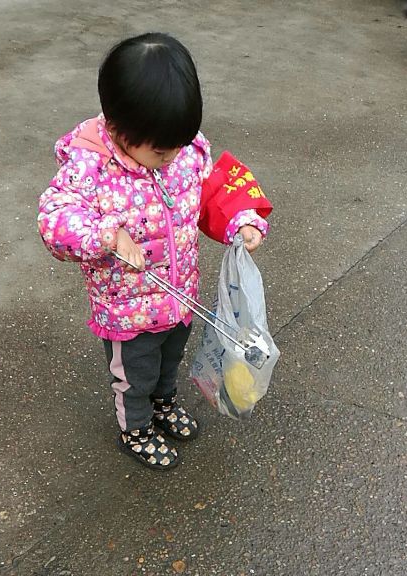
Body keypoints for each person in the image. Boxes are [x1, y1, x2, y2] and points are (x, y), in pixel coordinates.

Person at [38, 32, 269, 471]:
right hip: (127, 310)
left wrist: (243, 221)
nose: (172, 157)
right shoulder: (90, 168)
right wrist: (109, 235)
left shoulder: (183, 151)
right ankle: (137, 428)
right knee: (135, 375)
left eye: (179, 144)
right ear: (117, 129)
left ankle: (164, 405)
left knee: (169, 360)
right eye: (162, 151)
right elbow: (55, 220)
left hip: (179, 296)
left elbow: (212, 192)